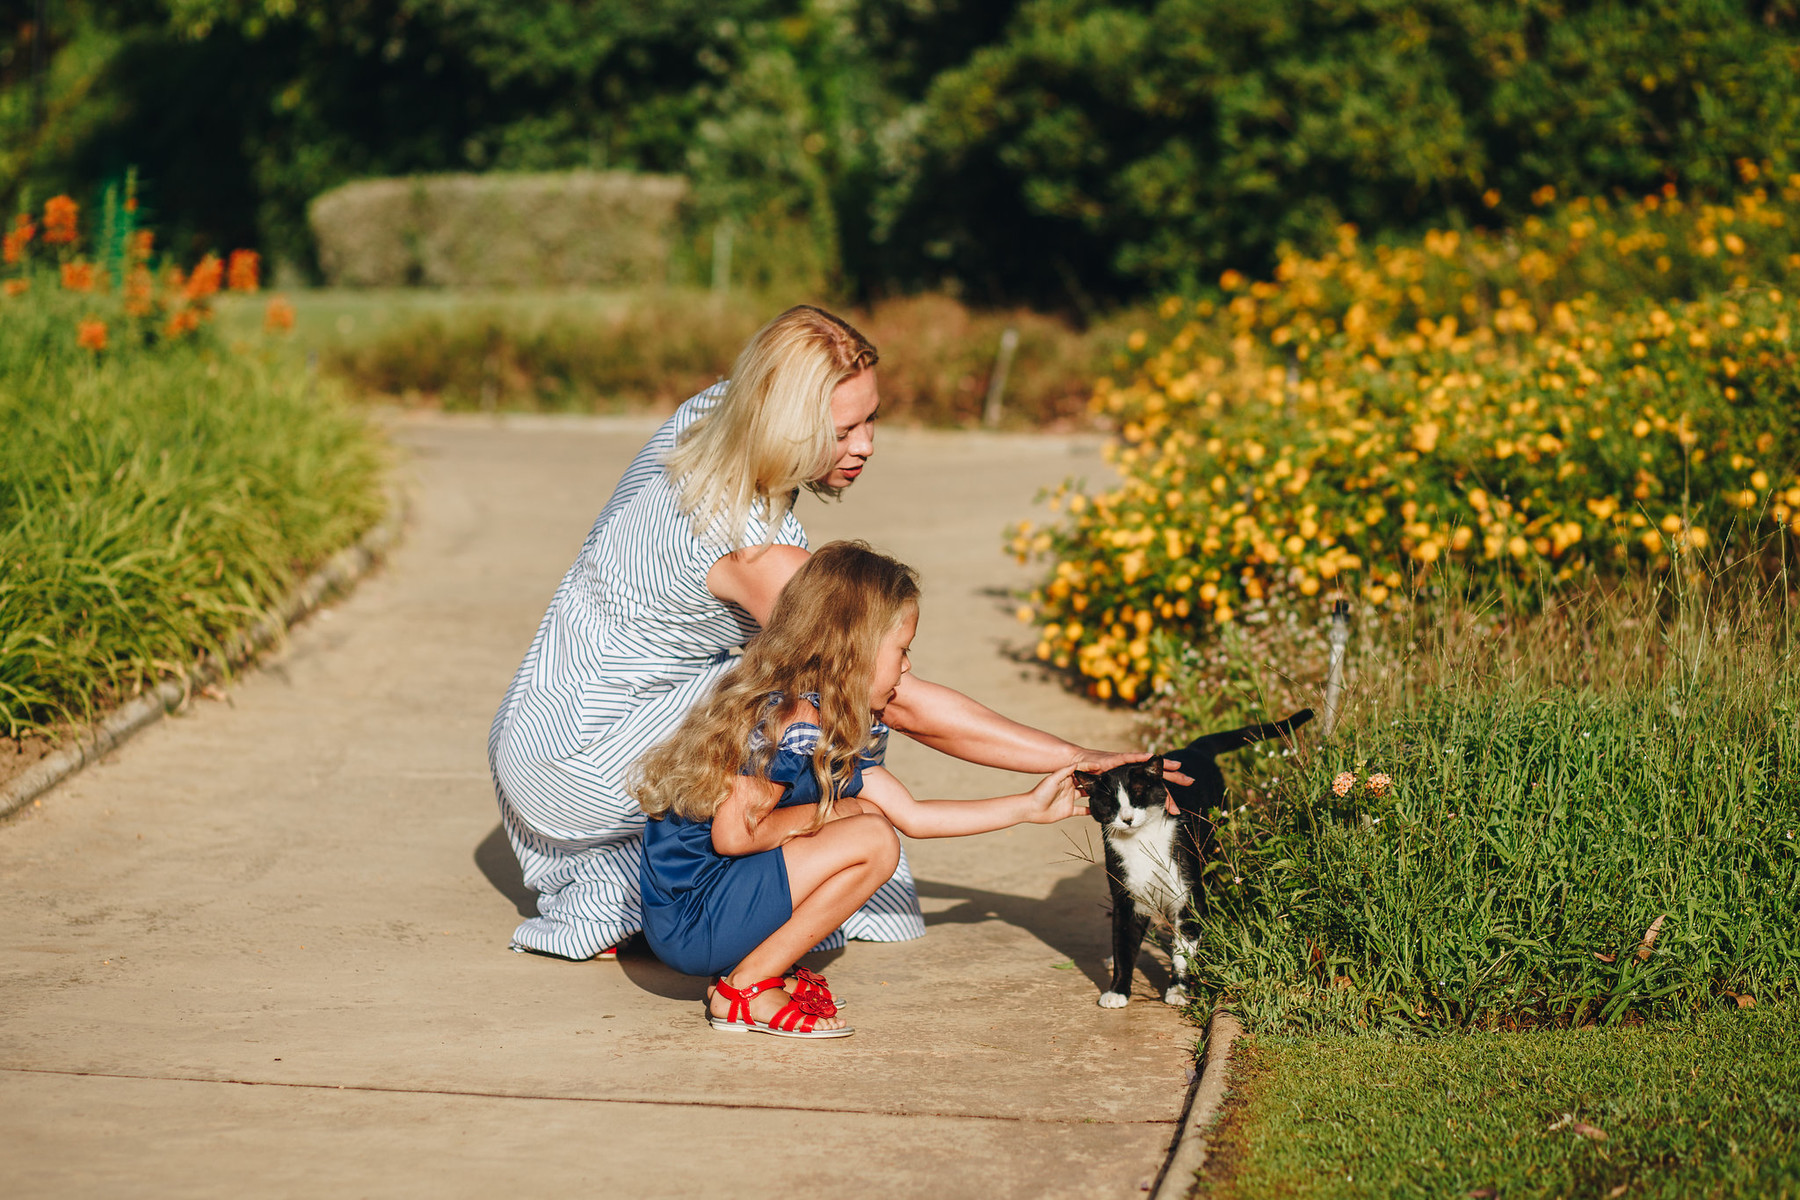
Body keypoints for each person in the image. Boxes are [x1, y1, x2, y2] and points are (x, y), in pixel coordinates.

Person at [488, 304, 1172, 962]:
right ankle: (679, 899)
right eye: (842, 431)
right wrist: (1082, 758)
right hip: (582, 752)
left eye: (870, 418)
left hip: (545, 715)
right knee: (832, 699)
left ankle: (652, 877)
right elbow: (894, 696)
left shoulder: (714, 414)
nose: (866, 445)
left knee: (802, 698)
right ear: (783, 423)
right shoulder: (752, 553)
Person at [632, 542, 1091, 1037]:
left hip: (717, 907)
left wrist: (1029, 808)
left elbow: (913, 816)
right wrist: (834, 812)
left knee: (875, 829)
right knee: (871, 836)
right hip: (694, 918)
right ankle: (745, 989)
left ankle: (750, 976)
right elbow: (735, 838)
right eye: (903, 651)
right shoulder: (789, 720)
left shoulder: (834, 725)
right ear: (854, 651)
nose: (908, 668)